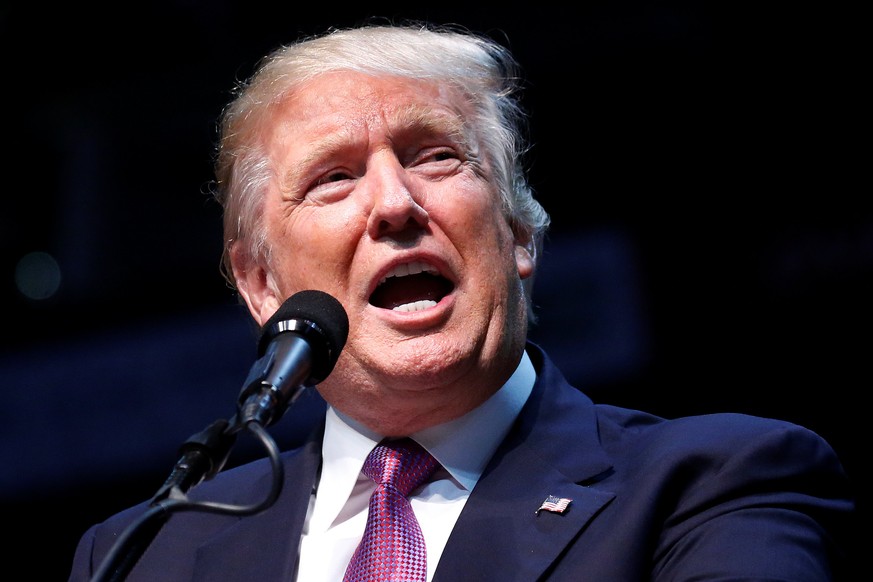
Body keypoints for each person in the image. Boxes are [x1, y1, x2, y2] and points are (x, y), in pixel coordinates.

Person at [69, 22, 855, 581]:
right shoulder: (142, 555)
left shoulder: (711, 485)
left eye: (435, 156)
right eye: (333, 178)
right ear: (262, 285)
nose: (393, 204)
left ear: (518, 233)